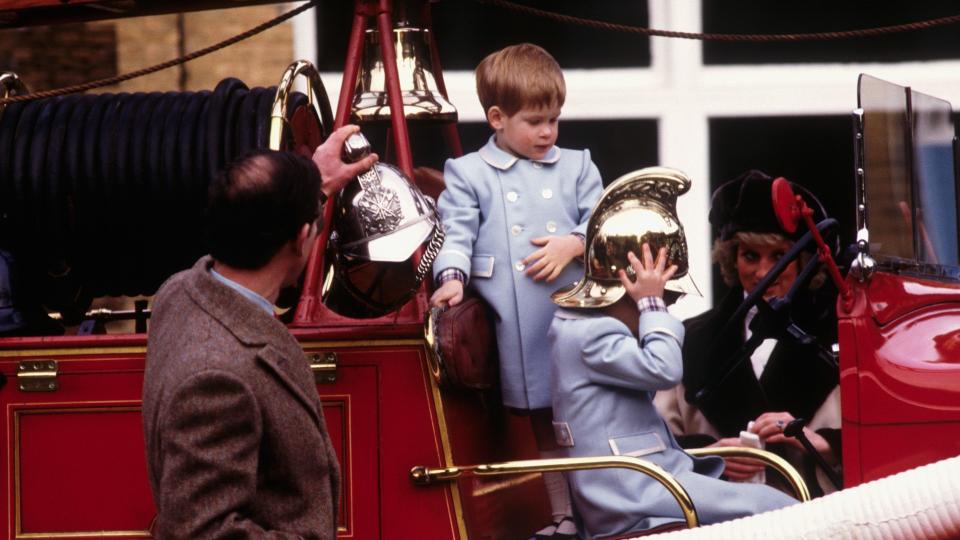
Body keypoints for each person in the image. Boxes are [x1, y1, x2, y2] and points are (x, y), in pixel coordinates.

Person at [142, 125, 377, 539]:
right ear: (302, 236)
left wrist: (311, 189)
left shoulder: (180, 291)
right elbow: (201, 532)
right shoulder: (218, 380)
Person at [549, 175, 797, 539]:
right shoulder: (590, 334)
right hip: (631, 493)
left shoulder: (588, 331)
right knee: (769, 507)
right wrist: (649, 301)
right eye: (665, 299)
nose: (664, 308)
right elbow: (664, 369)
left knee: (771, 504)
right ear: (626, 289)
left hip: (649, 478)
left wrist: (708, 453)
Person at [429, 43, 603, 538]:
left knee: (583, 414)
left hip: (575, 318)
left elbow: (606, 222)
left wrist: (572, 243)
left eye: (555, 119)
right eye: (535, 121)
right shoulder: (469, 173)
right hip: (514, 318)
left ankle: (600, 509)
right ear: (497, 118)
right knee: (542, 424)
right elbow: (455, 233)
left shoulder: (578, 166)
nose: (548, 132)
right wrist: (451, 278)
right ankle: (562, 517)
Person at [654, 169, 841, 497]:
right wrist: (711, 454)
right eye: (750, 256)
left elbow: (888, 448)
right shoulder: (689, 340)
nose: (764, 272)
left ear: (804, 262)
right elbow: (657, 444)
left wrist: (822, 443)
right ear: (731, 258)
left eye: (779, 257)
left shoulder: (842, 337)